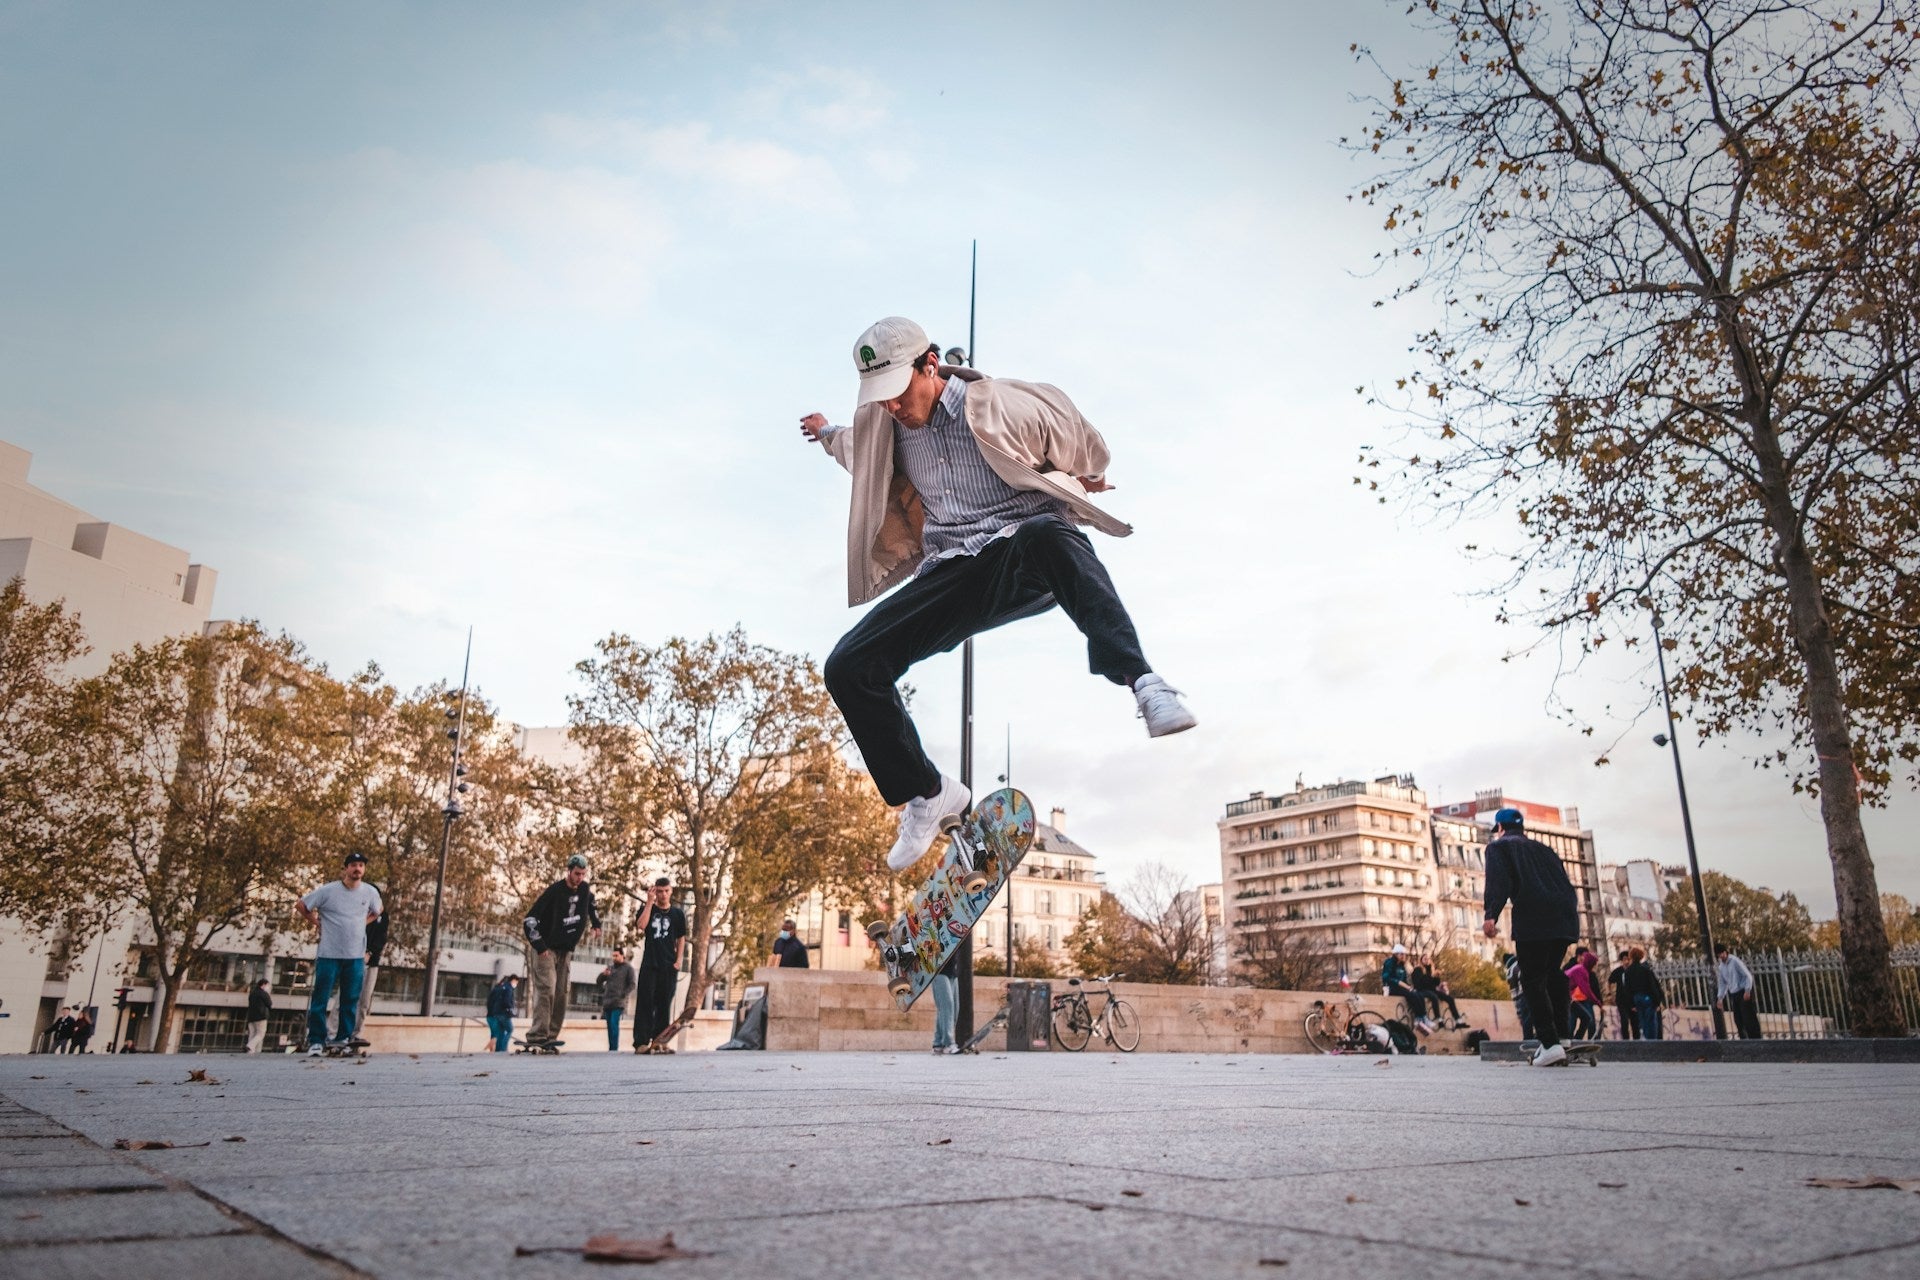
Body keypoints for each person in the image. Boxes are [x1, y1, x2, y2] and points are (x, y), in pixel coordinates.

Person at [801, 318, 1197, 873]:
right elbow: (853, 450)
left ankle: (1143, 682)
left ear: (929, 366)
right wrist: (824, 432)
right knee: (848, 665)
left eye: (898, 393)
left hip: (1021, 553)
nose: (892, 407)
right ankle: (927, 791)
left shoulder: (1001, 404)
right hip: (951, 571)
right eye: (880, 398)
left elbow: (1079, 438)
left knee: (1051, 532)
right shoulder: (883, 427)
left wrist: (1083, 477)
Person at [1482, 807, 1580, 1066]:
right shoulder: (1545, 849)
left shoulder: (1499, 848)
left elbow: (1498, 880)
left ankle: (1549, 1044)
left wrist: (1490, 914)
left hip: (1535, 917)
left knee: (1532, 977)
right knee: (1553, 973)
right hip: (1565, 915)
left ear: (1500, 829)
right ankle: (1562, 1035)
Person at [296, 851, 384, 1055]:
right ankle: (317, 1040)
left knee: (350, 999)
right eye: (353, 865)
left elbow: (378, 910)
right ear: (346, 868)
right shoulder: (329, 891)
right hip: (329, 953)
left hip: (354, 954)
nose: (357, 869)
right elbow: (302, 905)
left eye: (361, 865)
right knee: (321, 997)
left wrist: (362, 922)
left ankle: (343, 1038)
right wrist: (317, 922)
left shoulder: (369, 892)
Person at [521, 854, 602, 1050]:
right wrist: (539, 945)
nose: (579, 878)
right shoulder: (554, 892)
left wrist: (596, 923)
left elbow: (591, 904)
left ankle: (551, 1034)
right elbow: (529, 919)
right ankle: (537, 1034)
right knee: (547, 989)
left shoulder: (585, 890)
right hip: (546, 949)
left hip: (566, 950)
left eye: (583, 874)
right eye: (576, 874)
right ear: (568, 871)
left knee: (562, 993)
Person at [632, 877, 687, 1053]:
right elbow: (641, 926)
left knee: (664, 1004)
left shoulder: (678, 914)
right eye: (660, 891)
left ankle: (660, 1041)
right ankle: (641, 1042)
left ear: (671, 892)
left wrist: (678, 961)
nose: (663, 895)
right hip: (650, 963)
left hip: (668, 964)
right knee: (645, 1003)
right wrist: (649, 902)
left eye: (666, 891)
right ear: (655, 891)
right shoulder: (647, 909)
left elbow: (681, 939)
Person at [1714, 944, 1764, 1039]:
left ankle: (1756, 1039)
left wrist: (1747, 990)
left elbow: (1747, 975)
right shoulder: (1721, 967)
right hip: (1734, 994)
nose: (1721, 956)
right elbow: (1722, 983)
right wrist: (1720, 998)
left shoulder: (1735, 961)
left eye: (1722, 953)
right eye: (1719, 955)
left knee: (1748, 1017)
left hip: (1743, 992)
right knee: (1738, 1019)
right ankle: (1744, 1040)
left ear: (1726, 952)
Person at [357, 889, 388, 1037]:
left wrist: (370, 952)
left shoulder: (383, 916)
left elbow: (382, 938)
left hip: (371, 963)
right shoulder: (357, 912)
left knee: (364, 1000)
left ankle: (357, 1032)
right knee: (344, 998)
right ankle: (333, 1032)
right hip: (353, 960)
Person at [1380, 944, 1433, 1029]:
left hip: (1401, 987)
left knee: (1418, 994)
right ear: (1397, 954)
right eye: (1402, 954)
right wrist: (1400, 983)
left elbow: (1404, 979)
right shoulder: (1389, 963)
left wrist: (1409, 987)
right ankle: (1418, 1017)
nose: (1404, 956)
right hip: (1392, 988)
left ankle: (1422, 1016)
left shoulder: (1401, 965)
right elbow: (1386, 978)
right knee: (1411, 994)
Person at [1623, 946, 1665, 1039]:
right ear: (1641, 956)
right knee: (1651, 1021)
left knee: (1643, 1021)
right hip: (1647, 997)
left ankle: (1647, 1040)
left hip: (1637, 998)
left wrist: (1631, 1004)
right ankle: (1652, 1041)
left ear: (1631, 956)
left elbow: (1627, 989)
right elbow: (1652, 986)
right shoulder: (1645, 969)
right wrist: (1657, 1001)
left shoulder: (1628, 972)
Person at [599, 949, 636, 1051]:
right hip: (607, 1002)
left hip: (618, 1002)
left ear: (622, 956)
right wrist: (603, 975)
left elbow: (632, 984)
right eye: (613, 956)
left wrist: (623, 994)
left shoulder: (628, 968)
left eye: (616, 955)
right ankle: (611, 1047)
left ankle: (614, 1048)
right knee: (609, 1026)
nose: (614, 958)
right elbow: (598, 981)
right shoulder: (610, 968)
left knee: (614, 1023)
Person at [1412, 962, 1467, 1029]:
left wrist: (1437, 976)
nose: (1427, 961)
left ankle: (1458, 1021)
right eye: (1425, 959)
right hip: (1424, 990)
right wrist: (1431, 975)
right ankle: (1439, 1019)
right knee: (1434, 997)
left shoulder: (1430, 971)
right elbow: (1423, 983)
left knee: (1450, 999)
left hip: (1433, 990)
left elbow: (1436, 984)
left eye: (1428, 959)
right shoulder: (1418, 970)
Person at [929, 950, 961, 1056]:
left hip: (952, 971)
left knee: (953, 1008)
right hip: (938, 970)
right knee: (947, 1006)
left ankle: (938, 1044)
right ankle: (949, 1043)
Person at [1564, 948, 1600, 1040]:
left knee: (1587, 1018)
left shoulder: (1584, 970)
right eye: (1594, 964)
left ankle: (1576, 1040)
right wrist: (1599, 1004)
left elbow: (1591, 987)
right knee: (1574, 1021)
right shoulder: (1579, 969)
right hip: (1565, 997)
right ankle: (1571, 1040)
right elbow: (1586, 989)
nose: (1594, 966)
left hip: (1571, 998)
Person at [1501, 951, 1536, 1040]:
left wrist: (1519, 1013)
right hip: (1537, 991)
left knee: (1526, 1022)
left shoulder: (1511, 971)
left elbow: (1514, 994)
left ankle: (1528, 1041)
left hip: (1524, 995)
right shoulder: (1522, 963)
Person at [486, 974, 519, 1052]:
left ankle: (498, 1049)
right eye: (516, 982)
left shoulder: (499, 988)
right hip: (503, 1013)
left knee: (500, 1031)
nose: (516, 984)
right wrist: (510, 1009)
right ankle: (503, 1049)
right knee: (510, 1029)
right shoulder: (508, 988)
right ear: (513, 980)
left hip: (495, 1013)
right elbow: (507, 1001)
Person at [245, 979, 273, 1054]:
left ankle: (250, 1051)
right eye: (267, 985)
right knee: (260, 1034)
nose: (268, 987)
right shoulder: (263, 994)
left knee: (252, 1033)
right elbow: (269, 1003)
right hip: (261, 1016)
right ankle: (250, 1046)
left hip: (251, 1017)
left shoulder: (252, 993)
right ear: (263, 985)